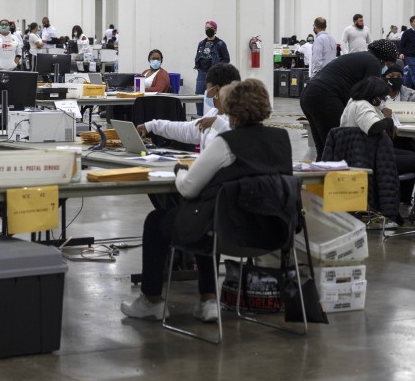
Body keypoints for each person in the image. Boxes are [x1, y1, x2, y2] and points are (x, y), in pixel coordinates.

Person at [121, 79, 292, 322]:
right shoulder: (282, 139)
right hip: (273, 232)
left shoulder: (226, 144)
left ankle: (152, 300)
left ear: (229, 108)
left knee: (163, 220)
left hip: (229, 233)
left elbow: (188, 189)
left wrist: (180, 171)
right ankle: (208, 300)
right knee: (207, 214)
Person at [299, 39, 400, 160]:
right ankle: (337, 177)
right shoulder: (374, 62)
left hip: (309, 94)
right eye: (388, 64)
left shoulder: (362, 57)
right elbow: (371, 93)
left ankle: (321, 177)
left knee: (325, 147)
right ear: (384, 58)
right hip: (324, 96)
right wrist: (383, 113)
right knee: (338, 145)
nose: (385, 68)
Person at [339, 77, 415, 217]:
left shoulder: (353, 102)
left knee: (411, 154)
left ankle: (399, 197)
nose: (384, 100)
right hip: (368, 159)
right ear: (375, 97)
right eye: (382, 97)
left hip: (359, 153)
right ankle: (389, 196)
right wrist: (388, 121)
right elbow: (373, 126)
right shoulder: (363, 106)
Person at [138, 63, 240, 148]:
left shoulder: (239, 119)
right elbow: (186, 129)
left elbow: (235, 140)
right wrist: (152, 126)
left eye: (207, 87)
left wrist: (217, 123)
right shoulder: (213, 113)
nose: (206, 92)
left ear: (216, 90)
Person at [193, 20, 230, 116]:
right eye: (206, 28)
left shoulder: (220, 44)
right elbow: (198, 56)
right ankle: (200, 116)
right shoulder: (201, 43)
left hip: (214, 74)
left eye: (211, 28)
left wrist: (217, 68)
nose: (208, 30)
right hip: (202, 73)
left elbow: (226, 59)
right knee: (199, 95)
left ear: (215, 30)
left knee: (214, 95)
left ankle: (216, 116)